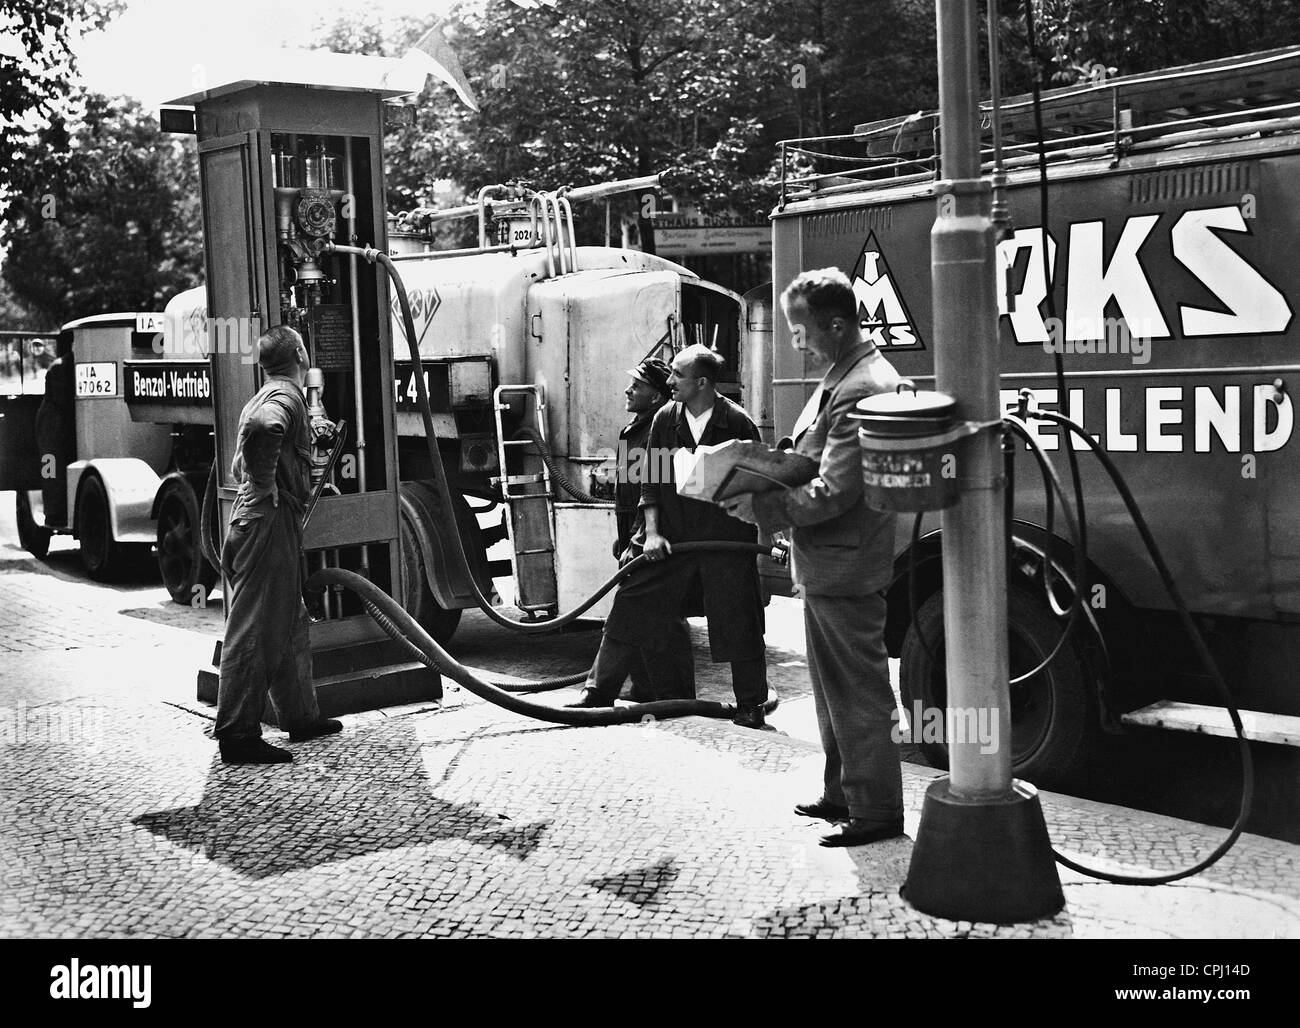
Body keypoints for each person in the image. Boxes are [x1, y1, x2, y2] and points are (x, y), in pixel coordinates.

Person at [723, 268, 905, 845]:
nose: (794, 342)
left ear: (834, 323)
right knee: (831, 690)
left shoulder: (860, 387)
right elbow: (818, 459)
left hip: (846, 561)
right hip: (832, 561)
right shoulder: (846, 374)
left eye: (799, 331)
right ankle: (842, 792)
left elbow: (838, 489)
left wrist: (765, 510)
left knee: (858, 691)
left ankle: (875, 811)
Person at [571, 343, 769, 728]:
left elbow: (757, 486)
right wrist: (653, 534)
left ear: (702, 382)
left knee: (739, 618)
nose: (670, 381)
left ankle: (751, 704)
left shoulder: (738, 423)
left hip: (724, 542)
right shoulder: (665, 419)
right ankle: (598, 691)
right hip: (672, 540)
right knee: (632, 600)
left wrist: (760, 542)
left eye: (677, 374)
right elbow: (651, 482)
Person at [214, 325, 341, 765]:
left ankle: (301, 717)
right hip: (267, 521)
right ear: (301, 353)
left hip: (265, 521)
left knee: (288, 621)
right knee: (255, 630)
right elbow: (265, 429)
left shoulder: (264, 394)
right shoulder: (284, 399)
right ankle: (237, 735)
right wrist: (268, 484)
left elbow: (249, 448)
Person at [612, 358, 695, 702]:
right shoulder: (634, 429)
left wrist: (641, 536)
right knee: (644, 614)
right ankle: (647, 689)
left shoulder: (654, 433)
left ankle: (671, 693)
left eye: (638, 385)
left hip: (648, 536)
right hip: (632, 534)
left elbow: (655, 491)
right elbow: (628, 488)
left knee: (659, 614)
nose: (629, 390)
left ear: (658, 396)